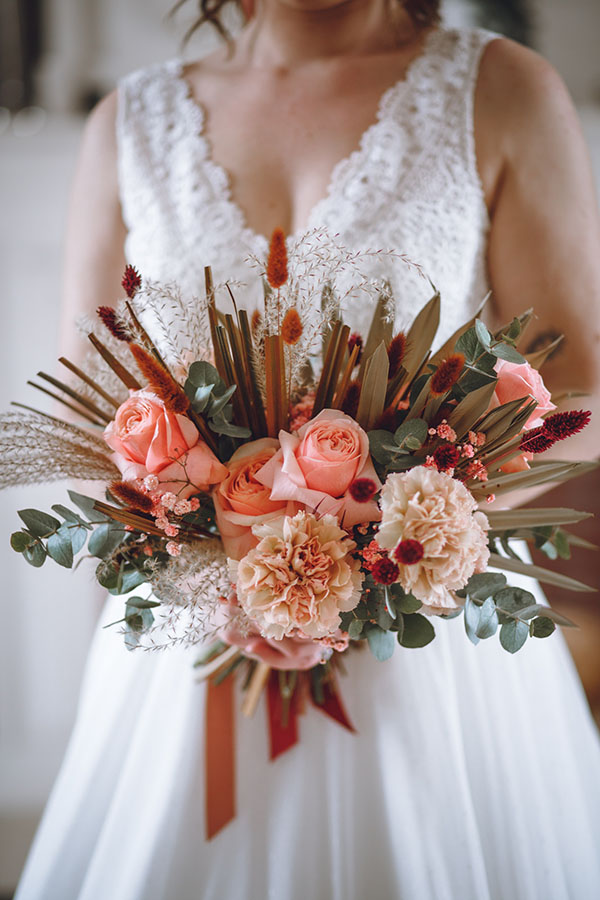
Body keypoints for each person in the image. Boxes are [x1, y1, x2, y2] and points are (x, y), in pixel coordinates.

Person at [15, 1, 600, 898]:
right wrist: (221, 566)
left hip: (435, 645)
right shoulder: (130, 123)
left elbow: (573, 389)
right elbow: (97, 413)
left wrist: (390, 553)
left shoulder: (504, 90)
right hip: (198, 640)